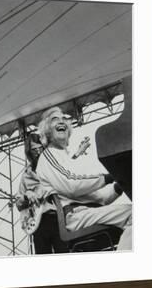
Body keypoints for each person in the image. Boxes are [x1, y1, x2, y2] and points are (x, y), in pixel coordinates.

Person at [34, 107, 132, 251]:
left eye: (64, 118)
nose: (61, 121)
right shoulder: (48, 155)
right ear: (47, 130)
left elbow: (102, 199)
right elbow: (71, 185)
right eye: (55, 119)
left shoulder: (70, 161)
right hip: (75, 215)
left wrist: (118, 184)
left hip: (90, 212)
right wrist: (108, 177)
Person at [15, 133, 68, 254]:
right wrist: (26, 195)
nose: (38, 152)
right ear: (29, 152)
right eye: (34, 150)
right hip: (37, 223)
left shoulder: (53, 168)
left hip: (56, 218)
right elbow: (18, 204)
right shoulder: (26, 175)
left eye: (40, 148)